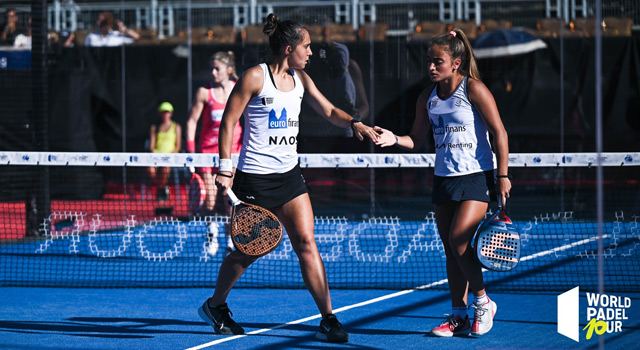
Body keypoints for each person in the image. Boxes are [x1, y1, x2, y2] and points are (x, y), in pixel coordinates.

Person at [199, 14, 379, 343]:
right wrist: (225, 167)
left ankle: (328, 318)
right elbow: (228, 122)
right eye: (306, 46)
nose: (311, 52)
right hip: (254, 180)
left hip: (290, 178)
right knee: (247, 251)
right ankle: (215, 305)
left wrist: (355, 123)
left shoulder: (301, 80)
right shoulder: (255, 77)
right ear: (288, 48)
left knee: (307, 243)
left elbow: (328, 111)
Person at [375, 29, 511, 337]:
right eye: (429, 62)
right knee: (451, 251)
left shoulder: (473, 89)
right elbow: (416, 138)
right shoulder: (428, 97)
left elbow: (499, 133)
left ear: (456, 63)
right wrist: (393, 138)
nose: (431, 67)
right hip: (444, 179)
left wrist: (502, 176)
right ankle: (458, 315)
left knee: (458, 240)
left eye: (439, 62)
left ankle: (482, 302)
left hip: (477, 176)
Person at [186, 51, 241, 256]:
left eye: (217, 68)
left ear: (229, 70)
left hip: (232, 154)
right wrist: (190, 153)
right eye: (211, 68)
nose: (213, 72)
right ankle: (211, 234)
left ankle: (229, 240)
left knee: (229, 200)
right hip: (206, 154)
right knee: (209, 200)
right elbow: (192, 122)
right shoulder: (203, 92)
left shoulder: (239, 90)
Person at [148, 102, 182, 201]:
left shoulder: (176, 127)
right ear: (160, 114)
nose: (165, 114)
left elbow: (178, 146)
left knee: (165, 168)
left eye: (167, 112)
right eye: (163, 112)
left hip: (170, 157)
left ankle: (160, 189)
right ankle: (162, 188)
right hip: (156, 157)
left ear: (170, 113)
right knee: (150, 169)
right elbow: (151, 146)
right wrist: (156, 154)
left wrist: (169, 156)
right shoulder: (154, 127)